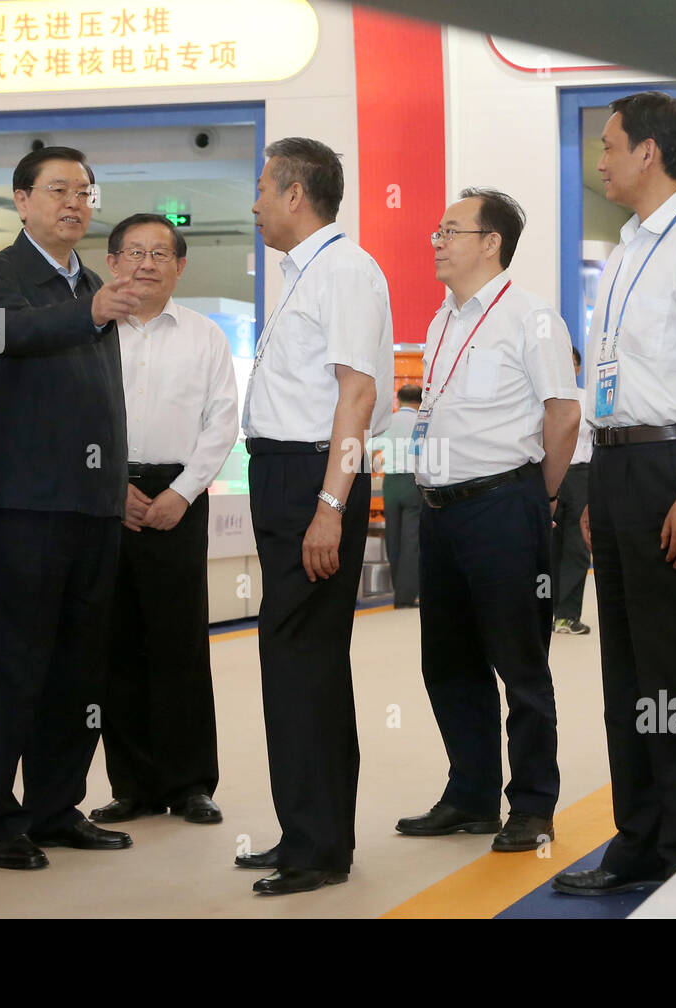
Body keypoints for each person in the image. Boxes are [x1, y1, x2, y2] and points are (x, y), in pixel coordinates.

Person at [552, 91, 676, 896]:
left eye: (609, 144)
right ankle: (641, 834)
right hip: (621, 467)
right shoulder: (627, 247)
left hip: (675, 467)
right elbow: (611, 383)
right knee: (627, 667)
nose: (600, 159)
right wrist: (595, 482)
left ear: (650, 153)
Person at [0, 145, 139, 870]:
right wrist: (87, 311)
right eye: (58, 189)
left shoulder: (94, 281)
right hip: (20, 506)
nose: (74, 202)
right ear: (22, 201)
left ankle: (56, 806)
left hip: (92, 508)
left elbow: (101, 402)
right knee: (9, 666)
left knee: (76, 669)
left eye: (85, 191)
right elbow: (1, 338)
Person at [397, 188, 580, 852]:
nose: (437, 242)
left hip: (505, 507)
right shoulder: (443, 320)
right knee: (447, 662)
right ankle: (470, 794)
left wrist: (538, 497)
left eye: (450, 230)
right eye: (437, 230)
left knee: (519, 664)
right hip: (440, 512)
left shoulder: (531, 319)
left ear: (490, 241)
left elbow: (563, 414)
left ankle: (531, 804)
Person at [237, 137, 393, 895]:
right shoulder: (305, 274)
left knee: (303, 659)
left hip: (312, 481)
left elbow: (357, 397)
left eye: (264, 188)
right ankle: (310, 830)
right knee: (296, 662)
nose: (256, 202)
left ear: (297, 194)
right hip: (284, 476)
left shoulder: (346, 272)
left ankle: (318, 847)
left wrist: (330, 507)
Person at [89, 213, 237, 826]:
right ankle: (134, 785)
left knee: (178, 644)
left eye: (160, 253)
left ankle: (191, 782)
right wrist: (109, 485)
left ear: (180, 266)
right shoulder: (91, 333)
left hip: (181, 496)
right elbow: (73, 420)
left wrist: (183, 491)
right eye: (134, 252)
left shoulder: (205, 336)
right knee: (115, 644)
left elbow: (222, 419)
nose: (146, 263)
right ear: (113, 261)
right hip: (104, 495)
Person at [552, 346, 593, 634]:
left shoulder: (588, 399)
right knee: (549, 546)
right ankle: (547, 611)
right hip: (550, 474)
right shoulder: (543, 399)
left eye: (572, 362)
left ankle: (567, 615)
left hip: (581, 475)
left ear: (578, 368)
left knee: (577, 548)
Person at [374, 384, 421, 608]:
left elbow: (370, 450)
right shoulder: (422, 423)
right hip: (413, 482)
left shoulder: (388, 422)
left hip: (390, 482)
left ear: (398, 400)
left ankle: (398, 591)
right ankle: (406, 596)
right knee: (411, 539)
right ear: (420, 402)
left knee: (393, 537)